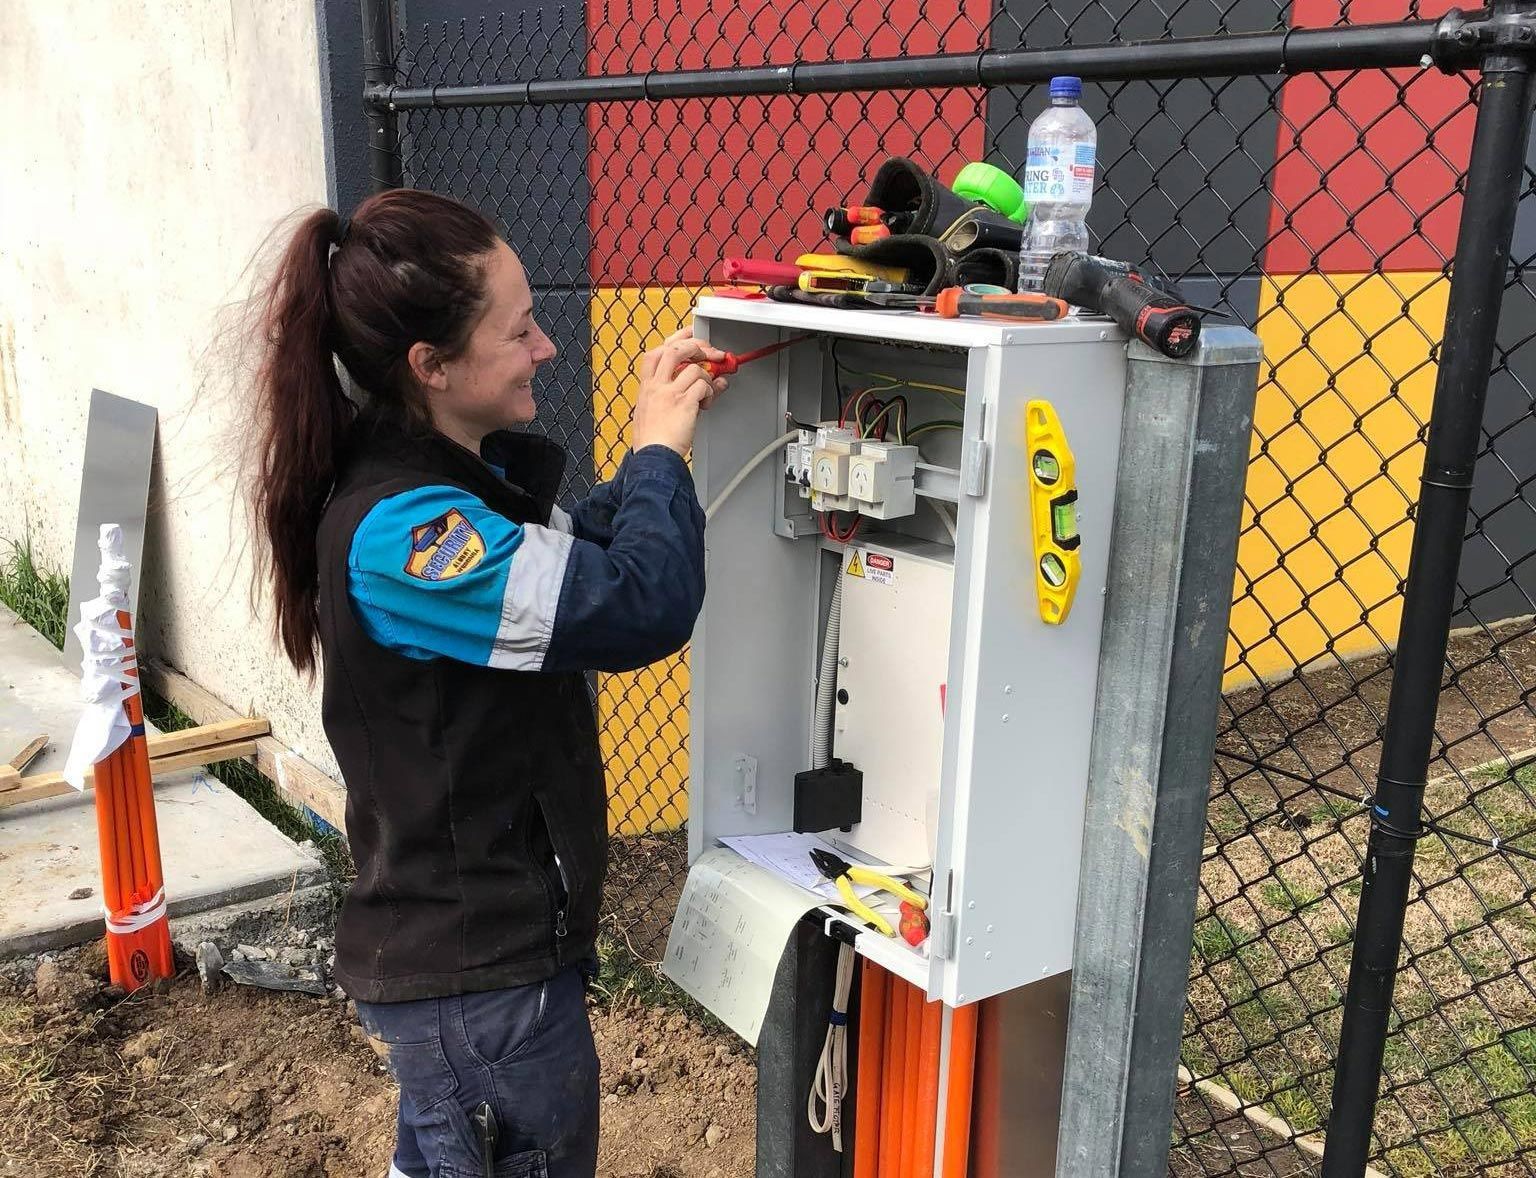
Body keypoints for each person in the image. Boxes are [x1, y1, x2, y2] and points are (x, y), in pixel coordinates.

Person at [248, 187, 729, 1178]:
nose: (547, 347)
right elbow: (638, 605)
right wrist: (654, 449)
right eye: (518, 330)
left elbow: (576, 561)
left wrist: (652, 460)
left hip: (469, 967)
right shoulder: (409, 533)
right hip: (477, 984)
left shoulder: (449, 486)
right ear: (432, 366)